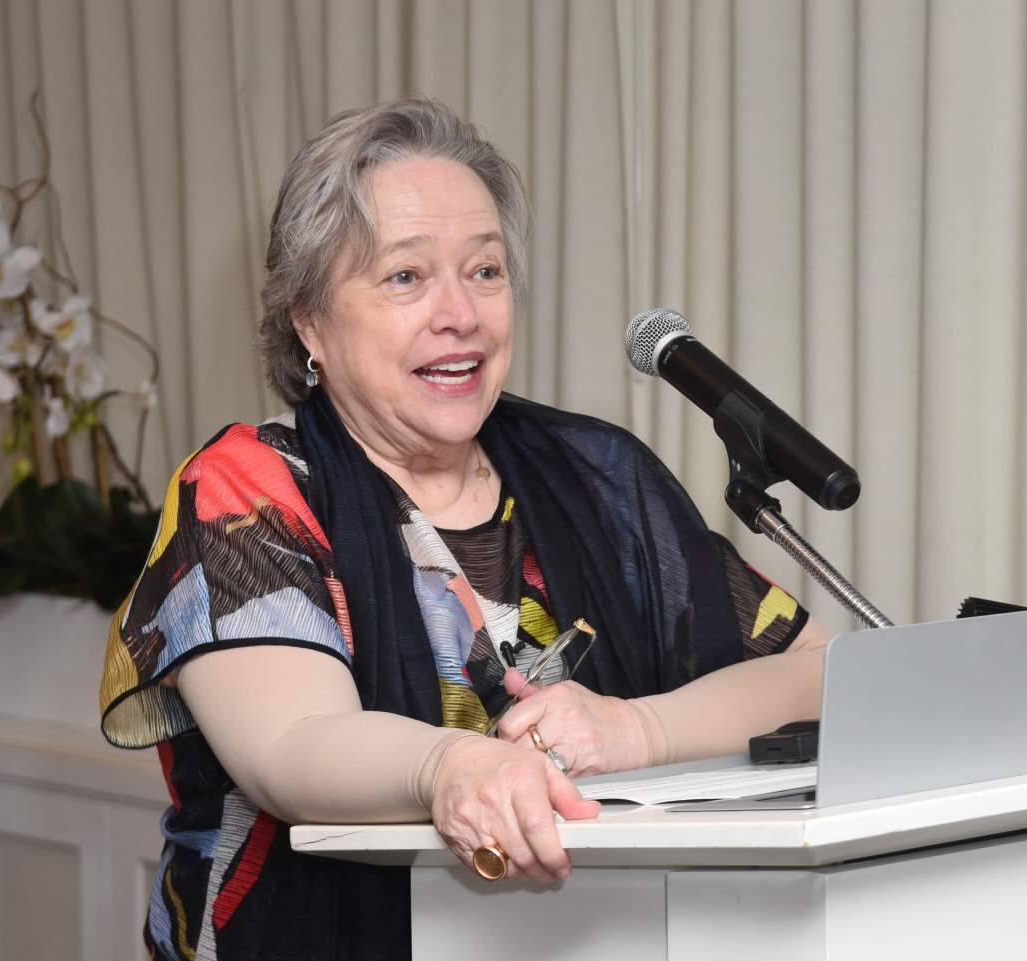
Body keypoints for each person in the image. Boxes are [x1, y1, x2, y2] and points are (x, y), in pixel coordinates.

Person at [99, 97, 831, 961]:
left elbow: (819, 672)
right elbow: (291, 746)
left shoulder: (596, 472)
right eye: (406, 277)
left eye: (484, 271)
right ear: (309, 322)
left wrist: (641, 729)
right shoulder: (249, 488)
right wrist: (450, 768)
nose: (463, 314)